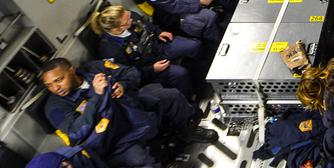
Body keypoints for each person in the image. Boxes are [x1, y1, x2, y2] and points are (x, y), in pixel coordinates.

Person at [40, 58, 216, 167]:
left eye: (59, 80)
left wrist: (123, 85)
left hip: (132, 105)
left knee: (171, 96)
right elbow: (76, 131)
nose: (56, 88)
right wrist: (96, 98)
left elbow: (131, 72)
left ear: (71, 70)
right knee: (144, 162)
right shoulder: (54, 106)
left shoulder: (94, 68)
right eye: (49, 85)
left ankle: (186, 131)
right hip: (114, 138)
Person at [91, 5, 200, 98]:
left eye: (128, 15)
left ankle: (199, 73)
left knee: (193, 46)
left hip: (157, 47)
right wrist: (152, 69)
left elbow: (147, 25)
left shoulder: (130, 16)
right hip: (147, 68)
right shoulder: (110, 50)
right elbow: (128, 73)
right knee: (180, 74)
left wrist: (159, 32)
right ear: (117, 29)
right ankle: (189, 98)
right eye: (127, 21)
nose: (131, 19)